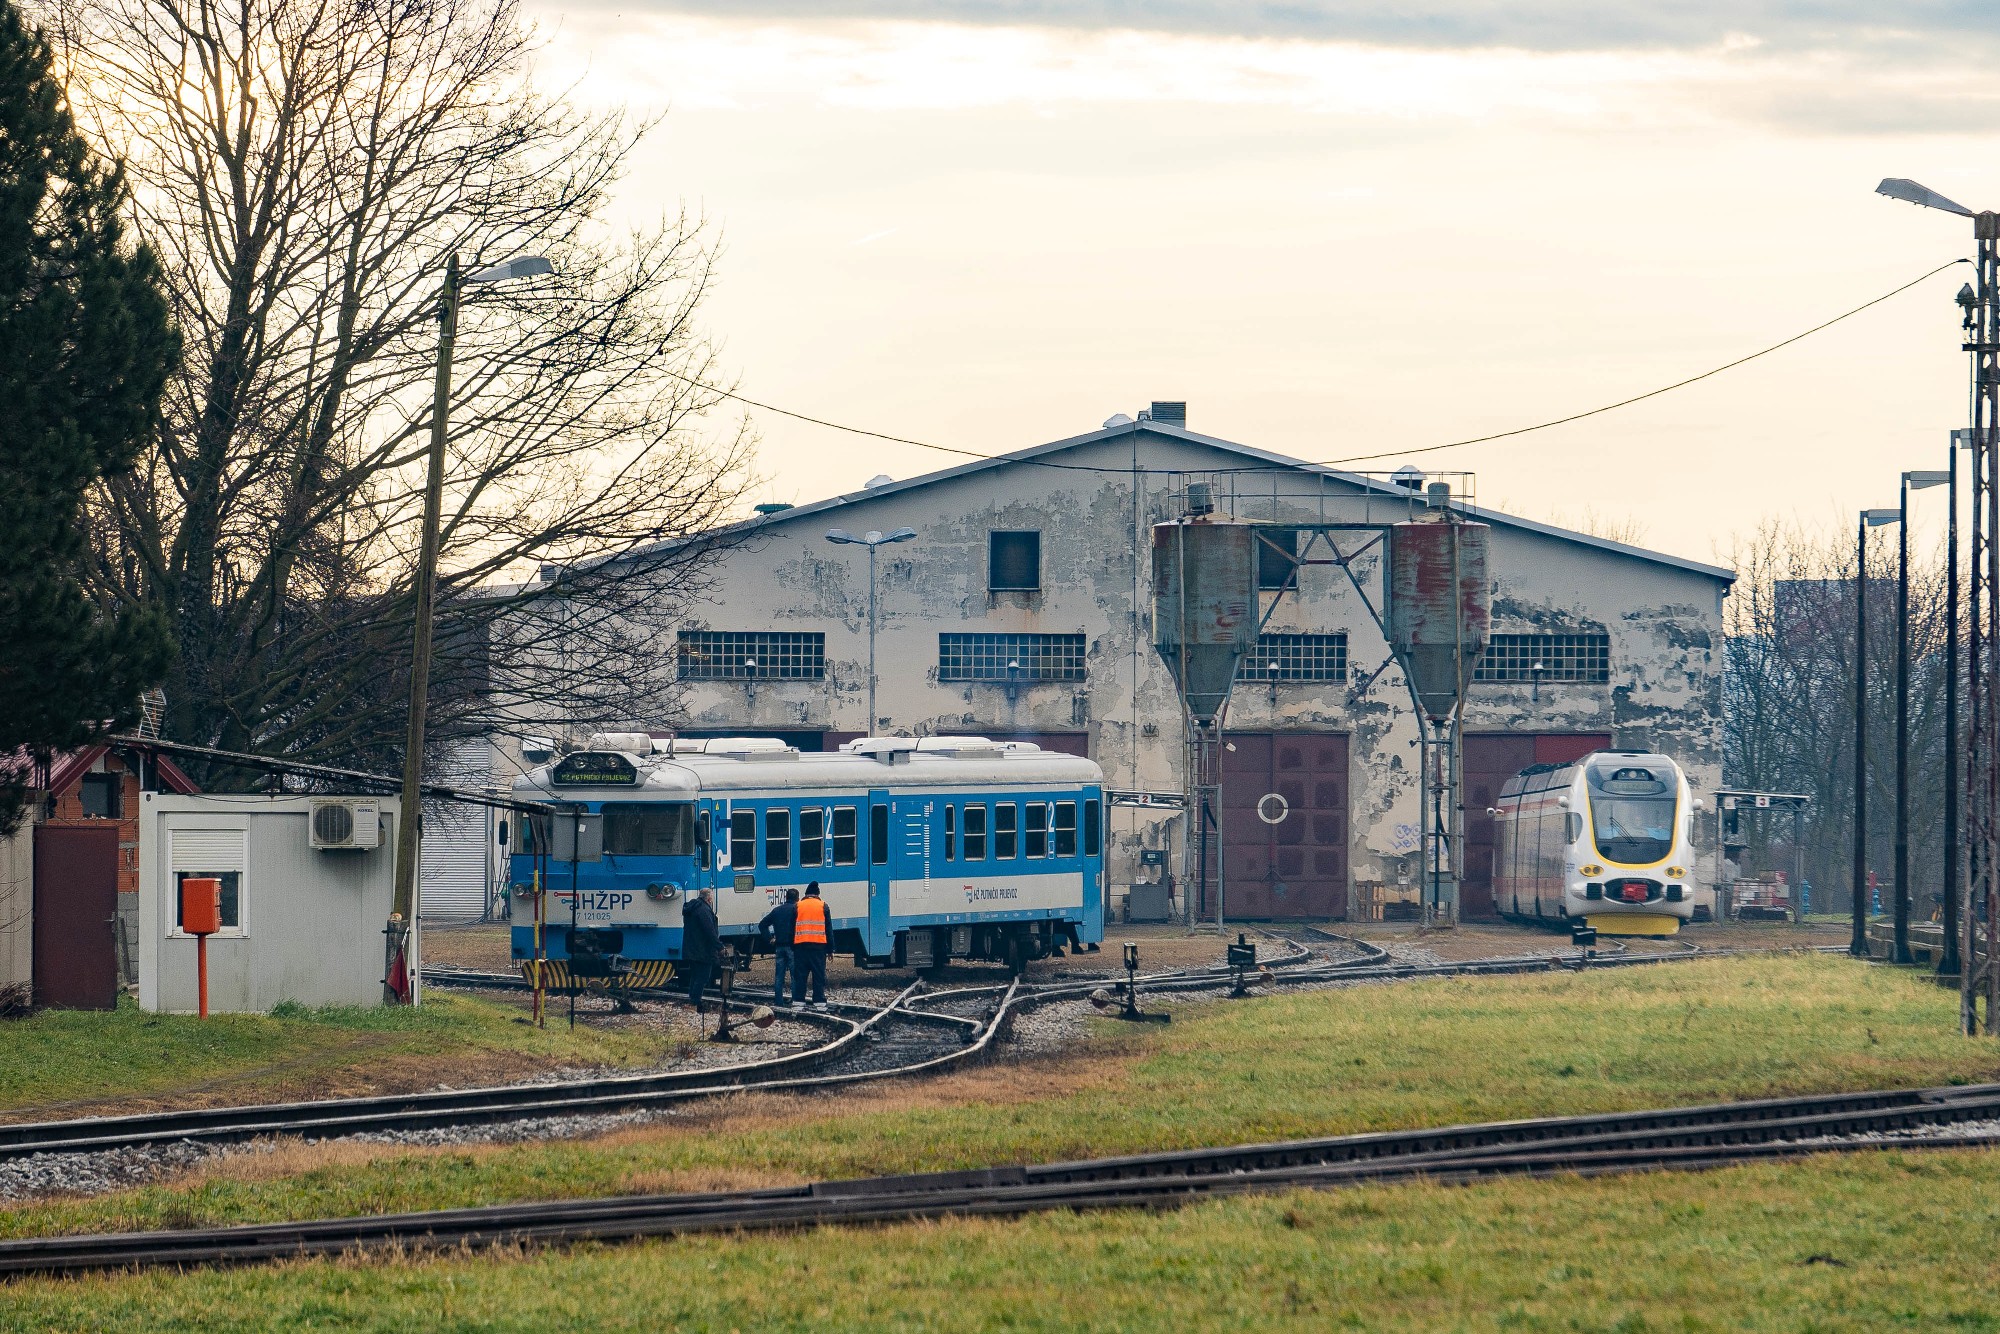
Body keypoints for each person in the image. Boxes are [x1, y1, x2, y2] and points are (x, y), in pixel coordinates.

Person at [681, 886, 722, 1014]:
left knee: (695, 976)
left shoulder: (692, 908)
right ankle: (695, 1002)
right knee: (703, 977)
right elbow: (709, 931)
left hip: (692, 948)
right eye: (712, 897)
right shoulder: (704, 910)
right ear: (709, 898)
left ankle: (692, 1001)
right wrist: (719, 946)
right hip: (703, 950)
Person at [791, 881, 831, 1011]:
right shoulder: (823, 906)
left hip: (801, 947)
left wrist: (792, 946)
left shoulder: (797, 906)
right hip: (819, 948)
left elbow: (791, 928)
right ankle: (819, 1001)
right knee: (818, 975)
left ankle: (798, 1001)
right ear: (817, 894)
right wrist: (831, 949)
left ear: (806, 894)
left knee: (800, 975)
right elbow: (828, 930)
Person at [758, 887, 800, 1005]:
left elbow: (762, 925)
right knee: (794, 975)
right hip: (793, 946)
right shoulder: (797, 910)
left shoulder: (777, 910)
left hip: (779, 946)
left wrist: (770, 938)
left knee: (779, 976)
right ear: (797, 898)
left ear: (786, 897)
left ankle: (778, 1001)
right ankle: (795, 1000)